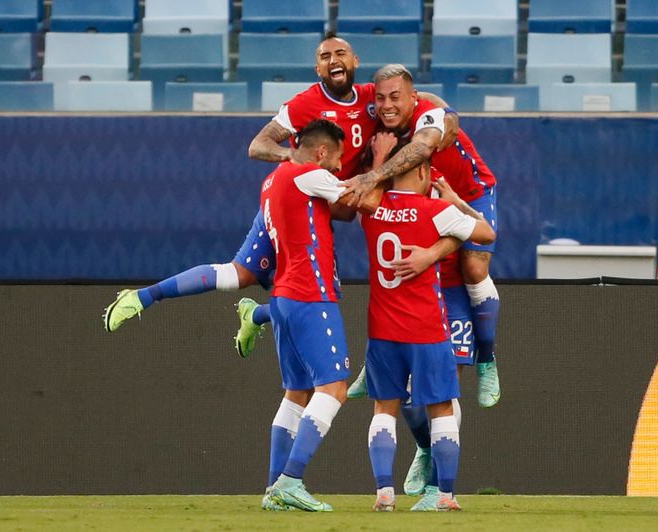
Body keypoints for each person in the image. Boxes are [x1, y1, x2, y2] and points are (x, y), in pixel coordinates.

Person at [103, 34, 459, 355]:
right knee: (321, 293)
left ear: (355, 62)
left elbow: (420, 96)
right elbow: (258, 145)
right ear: (317, 67)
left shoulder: (370, 97)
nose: (333, 59)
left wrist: (447, 111)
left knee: (236, 275)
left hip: (316, 199)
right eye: (325, 56)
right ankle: (174, 303)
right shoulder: (304, 104)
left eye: (340, 53)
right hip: (305, 202)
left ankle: (213, 308)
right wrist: (294, 158)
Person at [342, 64, 502, 408]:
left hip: (467, 194)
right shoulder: (376, 124)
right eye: (381, 98)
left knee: (474, 269)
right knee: (393, 263)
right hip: (420, 197)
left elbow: (424, 146)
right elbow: (366, 206)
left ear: (413, 98)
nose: (387, 105)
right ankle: (375, 364)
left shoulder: (429, 115)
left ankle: (487, 358)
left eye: (396, 97)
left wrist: (373, 177)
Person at [360, 143, 496, 511]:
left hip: (382, 330)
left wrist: (378, 162)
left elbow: (368, 192)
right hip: (427, 329)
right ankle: (446, 495)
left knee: (384, 409)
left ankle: (384, 492)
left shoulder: (371, 209)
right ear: (422, 173)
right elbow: (486, 234)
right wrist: (454, 200)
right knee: (441, 410)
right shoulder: (437, 210)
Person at [259, 119, 359, 512]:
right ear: (321, 152)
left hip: (283, 295)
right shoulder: (309, 174)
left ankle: (273, 489)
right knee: (334, 389)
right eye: (337, 157)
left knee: (296, 394)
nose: (337, 167)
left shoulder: (271, 181)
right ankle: (290, 480)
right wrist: (383, 160)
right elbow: (358, 197)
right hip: (310, 295)